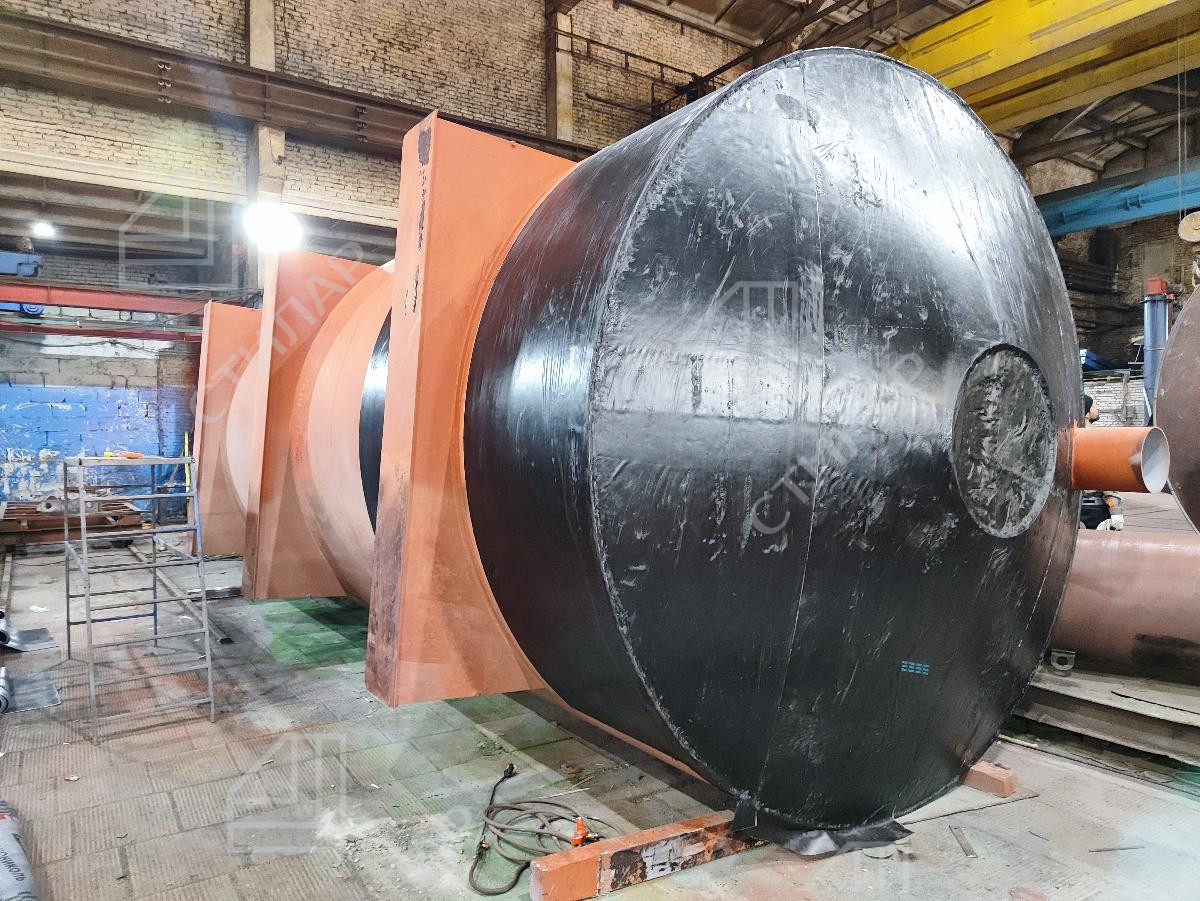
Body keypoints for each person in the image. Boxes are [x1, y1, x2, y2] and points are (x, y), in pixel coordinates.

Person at [1079, 393, 1123, 530]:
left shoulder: (1065, 437)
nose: (1097, 407)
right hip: (1096, 511)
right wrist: (1116, 512)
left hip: (1071, 510)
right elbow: (1106, 477)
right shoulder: (1098, 438)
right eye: (1094, 405)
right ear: (1087, 413)